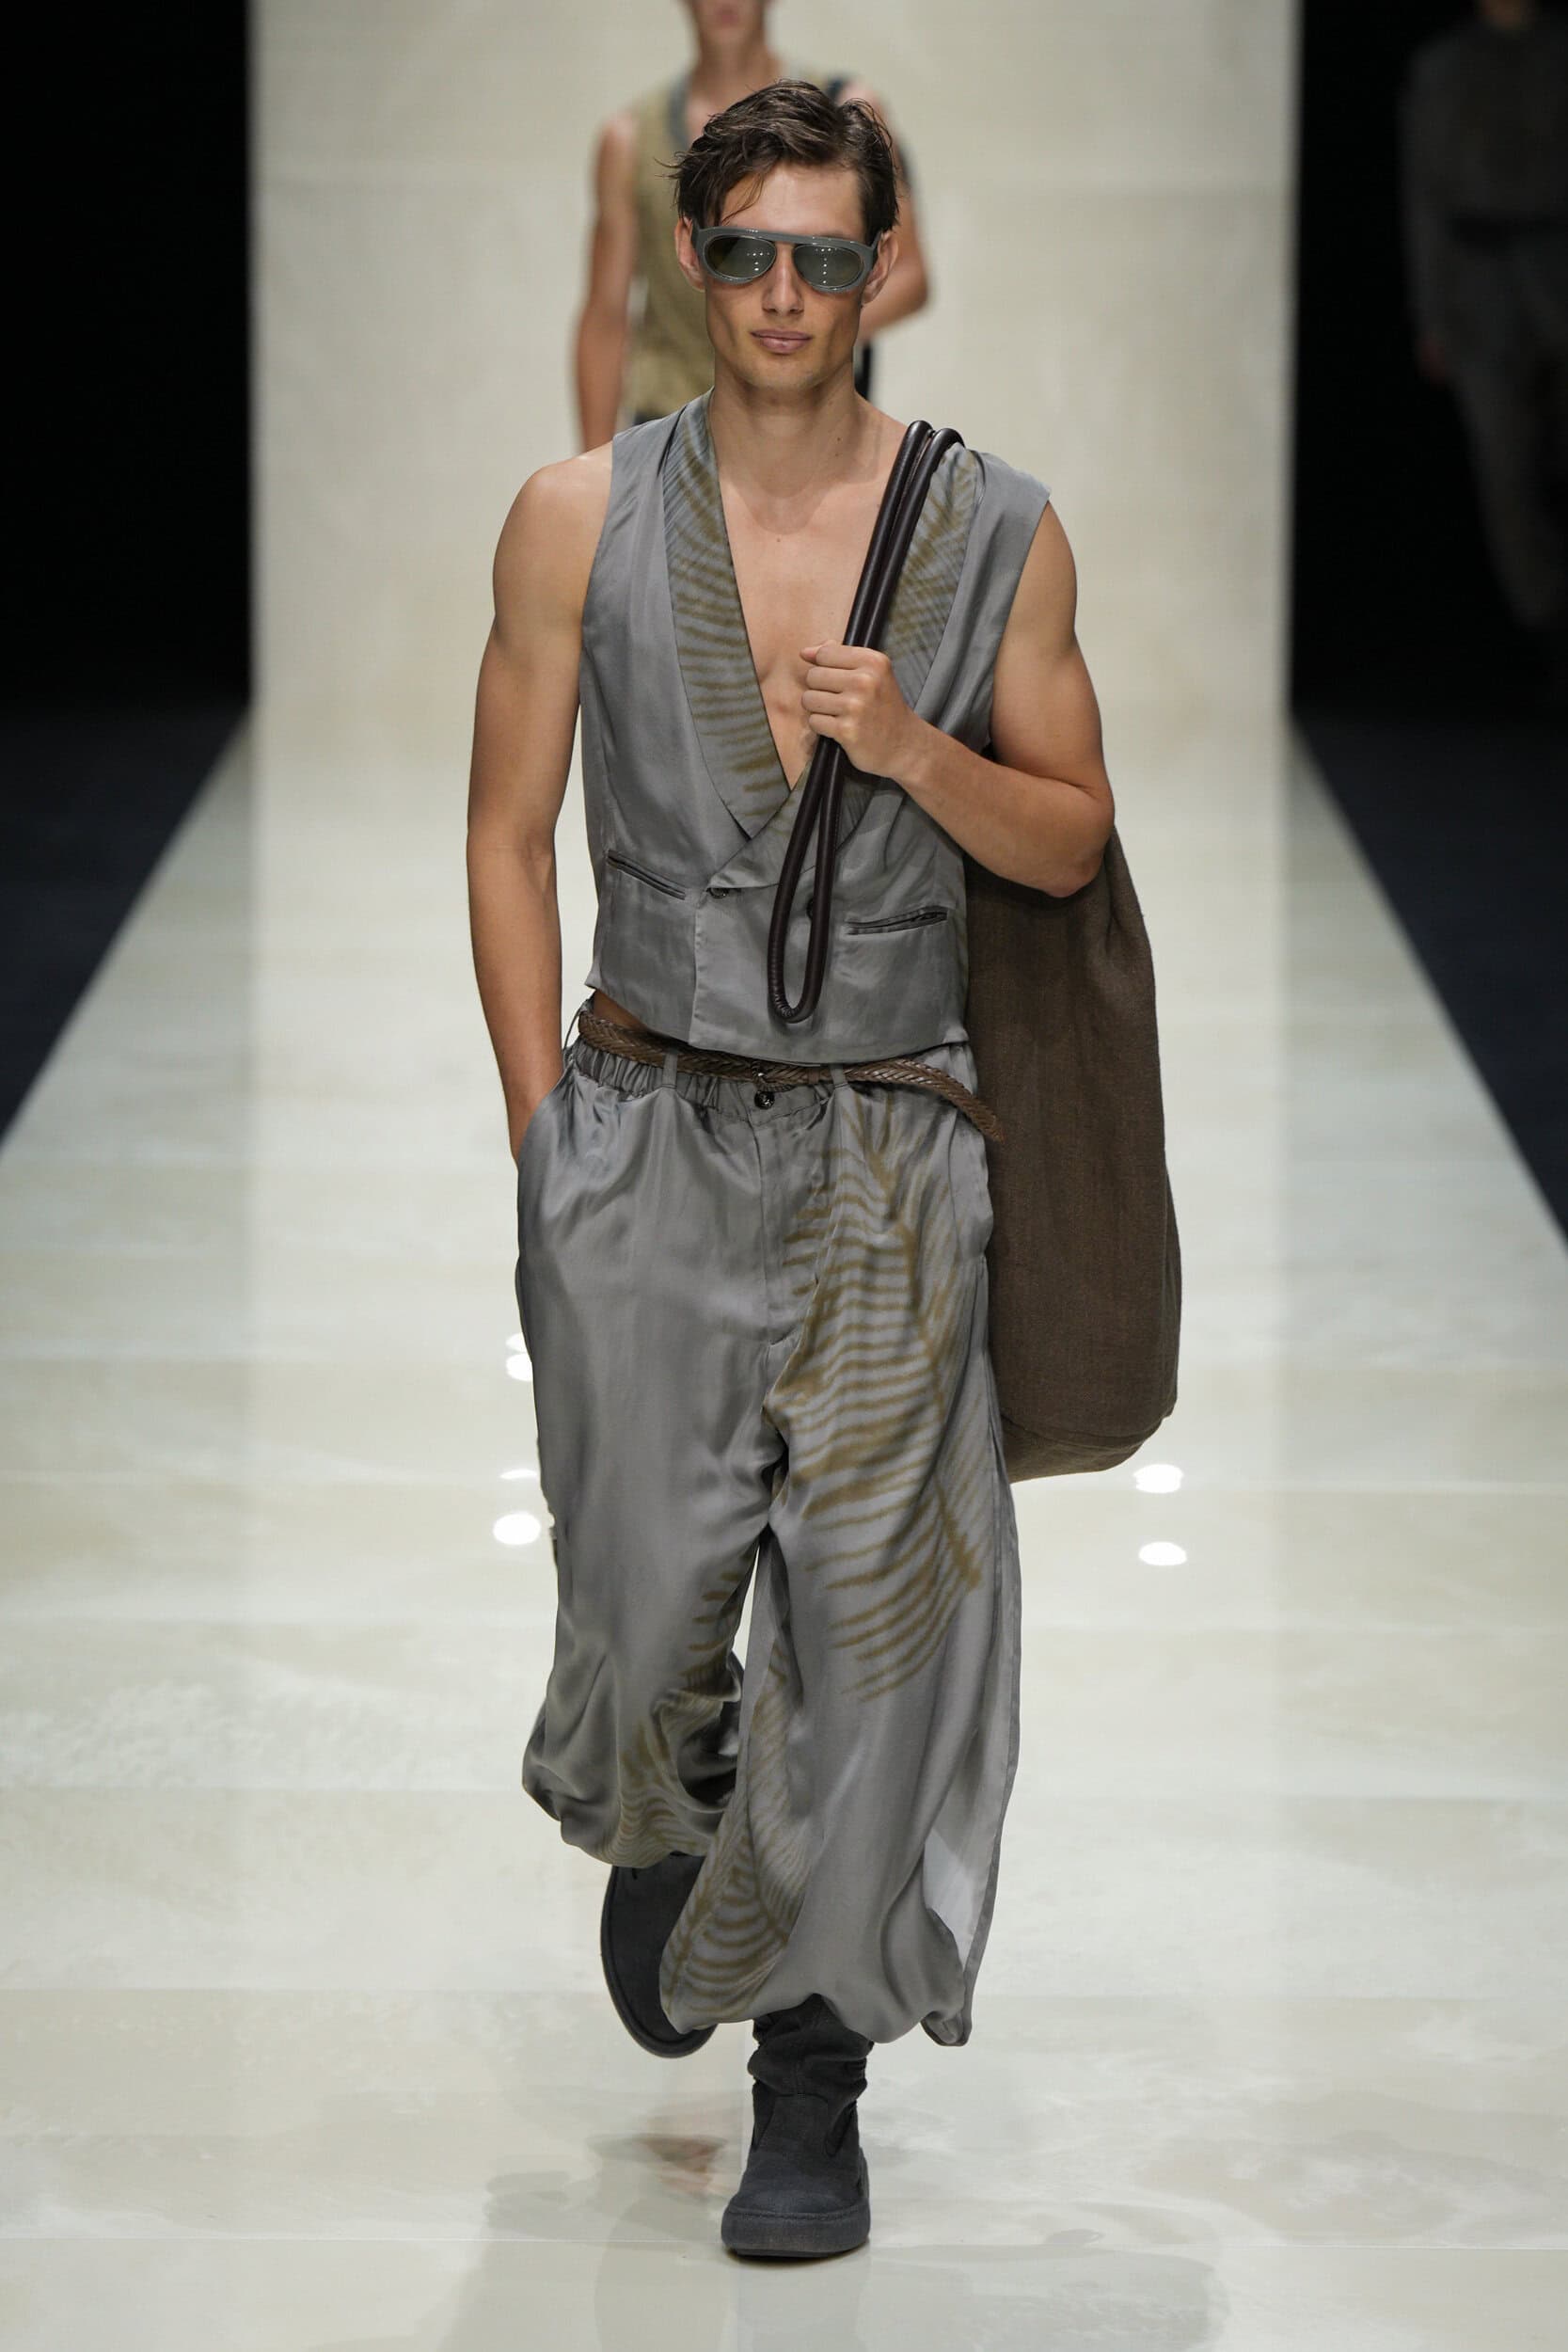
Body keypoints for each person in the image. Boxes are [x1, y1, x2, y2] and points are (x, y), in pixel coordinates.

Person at [467, 81, 1114, 2260]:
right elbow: (502, 830)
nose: (777, 292)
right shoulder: (571, 516)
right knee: (640, 1592)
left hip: (891, 1140)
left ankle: (808, 2086)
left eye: (821, 254)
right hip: (643, 1120)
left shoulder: (993, 530)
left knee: (870, 1629)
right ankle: (675, 1814)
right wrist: (544, 1135)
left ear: (879, 270)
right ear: (691, 258)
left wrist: (912, 747)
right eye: (742, 249)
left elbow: (1071, 835)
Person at [573, 0, 928, 447]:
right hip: (671, 424)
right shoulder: (630, 141)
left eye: (824, 251)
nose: (781, 298)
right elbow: (605, 316)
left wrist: (797, 339)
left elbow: (909, 273)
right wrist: (598, 470)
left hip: (813, 423)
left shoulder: (848, 115)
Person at [1400, 0, 1568, 704]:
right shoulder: (1442, 69)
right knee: (1505, 474)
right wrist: (1433, 315)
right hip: (1478, 294)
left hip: (1554, 270)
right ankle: (1551, 629)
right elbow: (1423, 198)